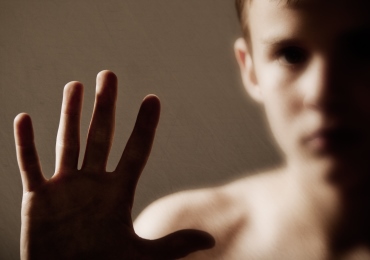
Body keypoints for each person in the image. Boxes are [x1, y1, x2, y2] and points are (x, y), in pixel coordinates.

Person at [14, 0, 370, 259]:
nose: (322, 93)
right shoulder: (180, 242)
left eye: (362, 49)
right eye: (291, 54)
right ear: (250, 71)